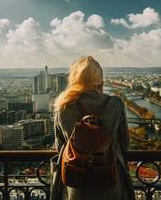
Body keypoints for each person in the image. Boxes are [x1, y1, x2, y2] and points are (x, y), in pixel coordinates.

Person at [52, 55, 135, 200]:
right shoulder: (115, 104)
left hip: (75, 182)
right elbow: (124, 144)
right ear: (99, 78)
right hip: (110, 179)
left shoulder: (62, 106)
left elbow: (60, 146)